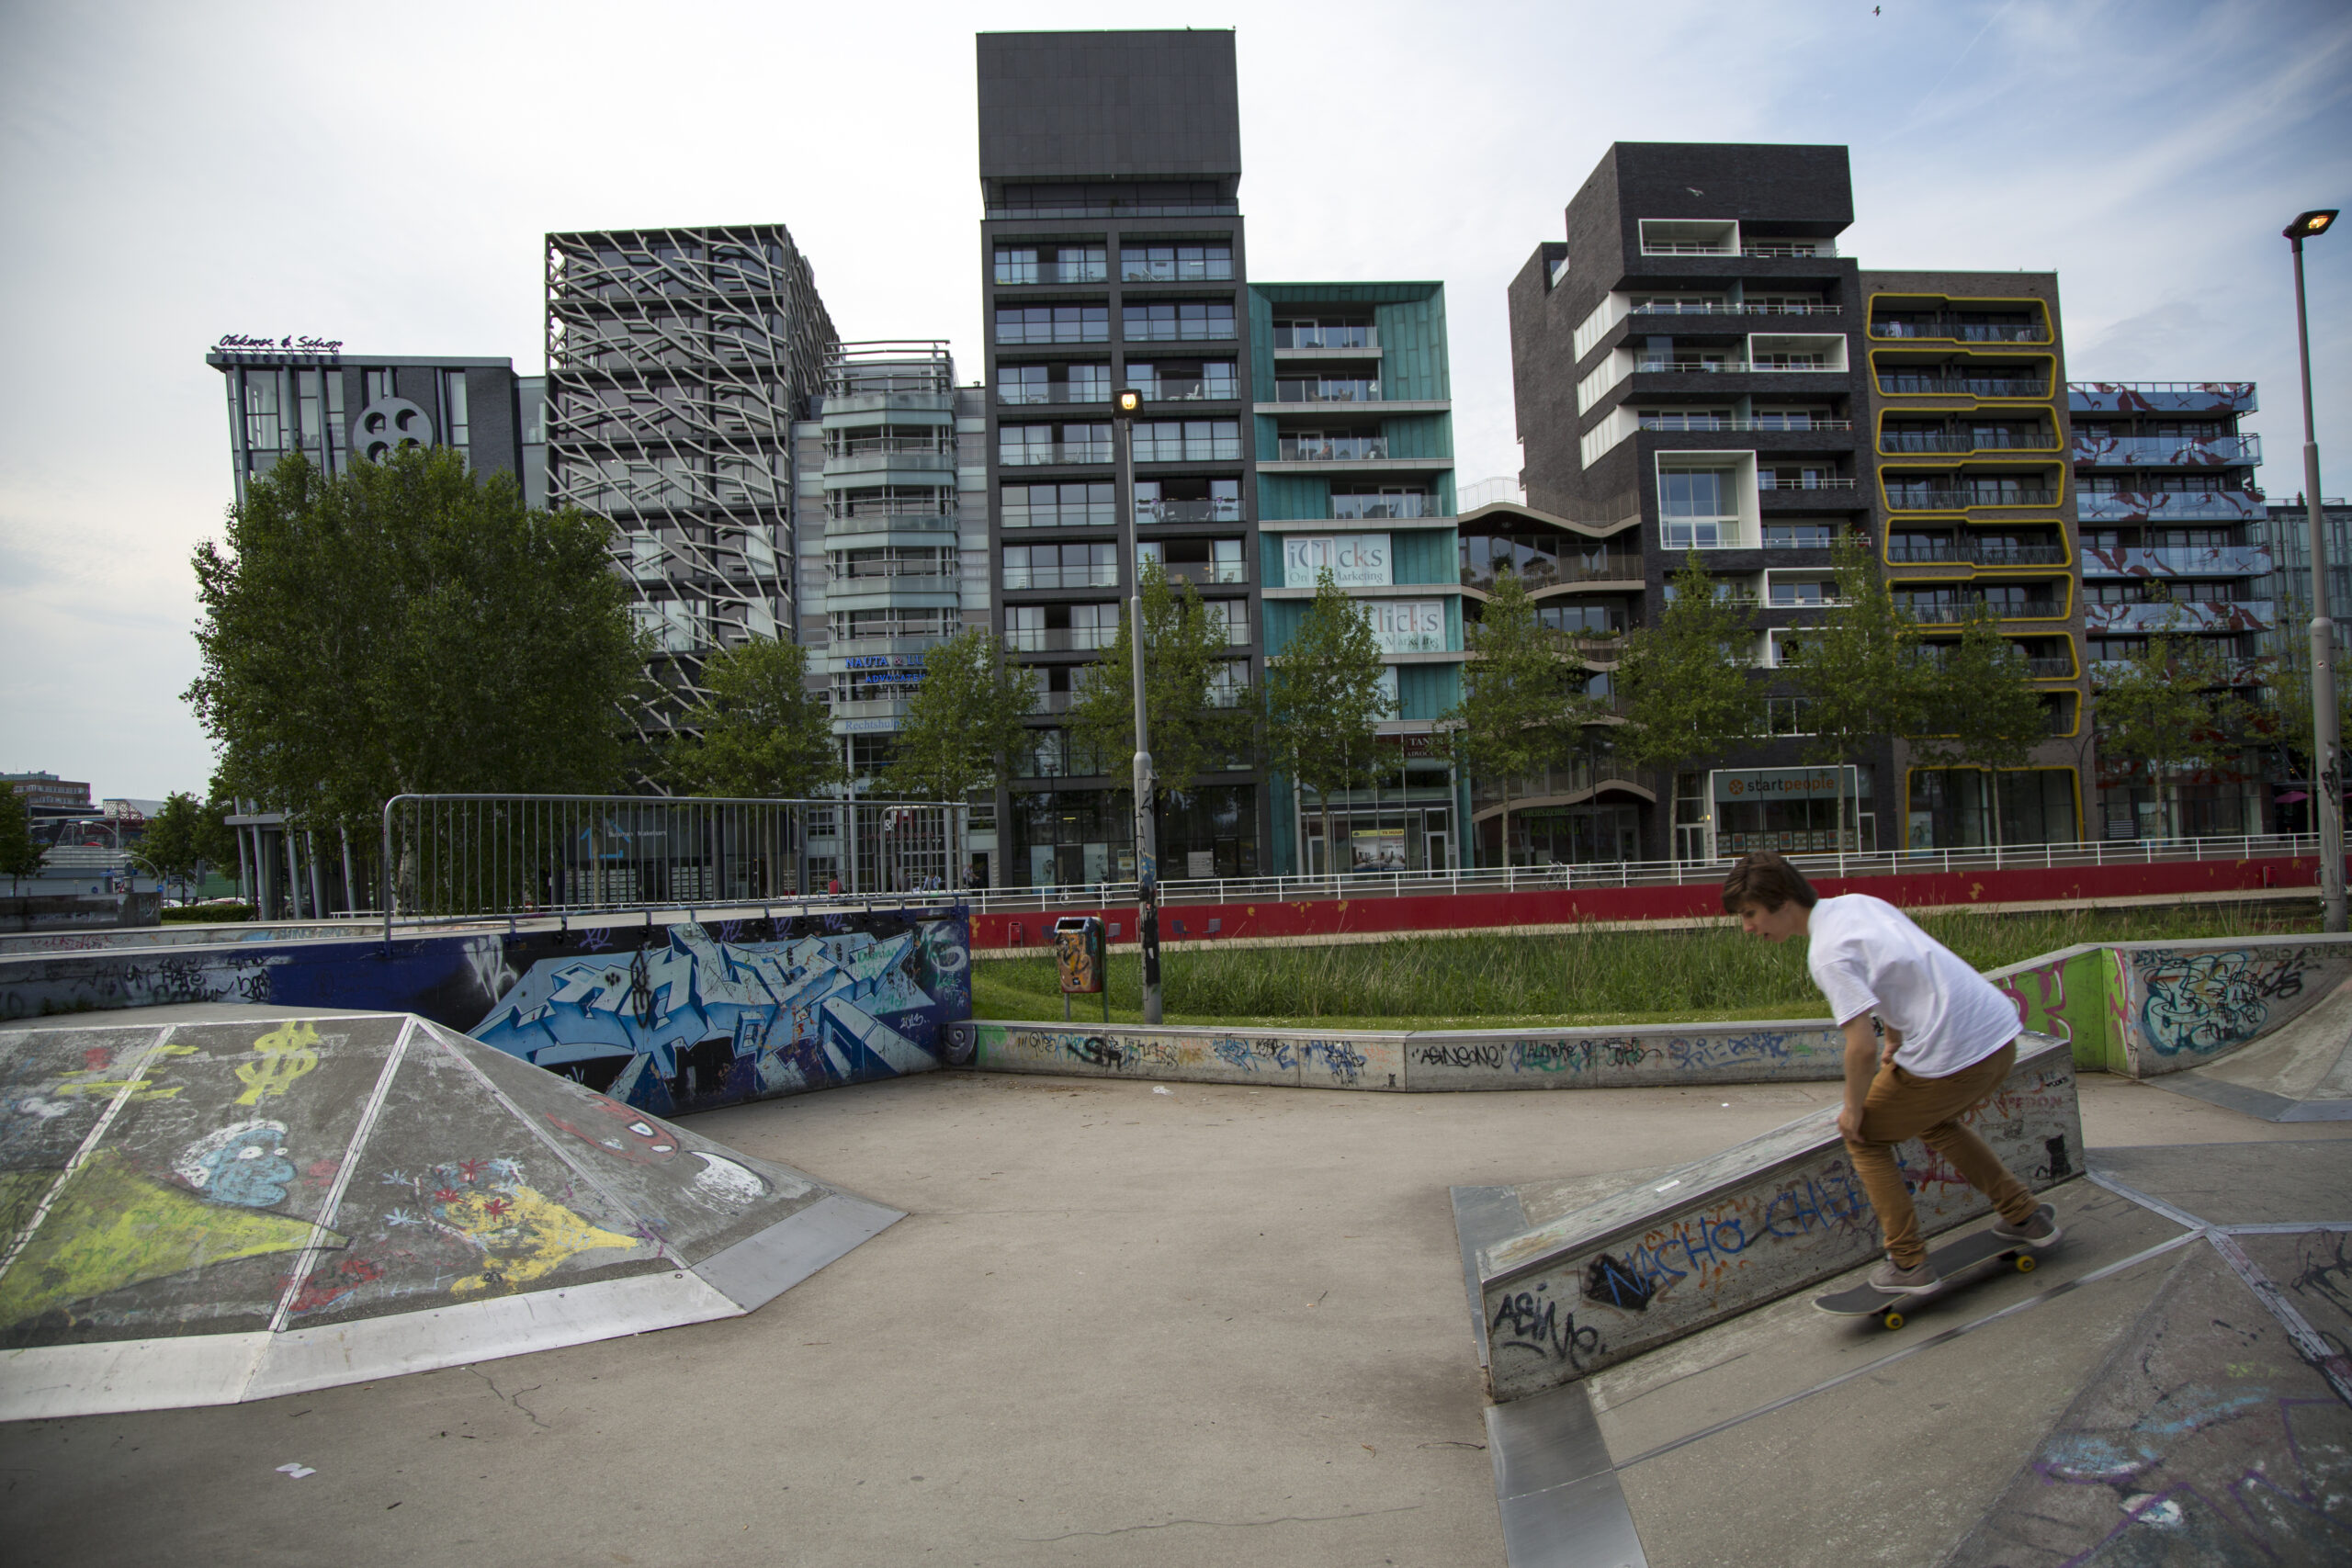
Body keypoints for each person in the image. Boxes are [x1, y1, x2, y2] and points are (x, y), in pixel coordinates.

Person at [1724, 851, 2059, 1295]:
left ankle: (1907, 1263)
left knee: (1864, 1137)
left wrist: (1852, 1109)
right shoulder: (1858, 904)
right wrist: (1898, 1041)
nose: (1748, 927)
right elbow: (1902, 972)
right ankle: (2023, 1214)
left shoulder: (1826, 955)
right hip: (1998, 1033)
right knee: (1933, 1122)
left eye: (1750, 914)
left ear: (1783, 901)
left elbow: (1861, 1048)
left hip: (1956, 1052)